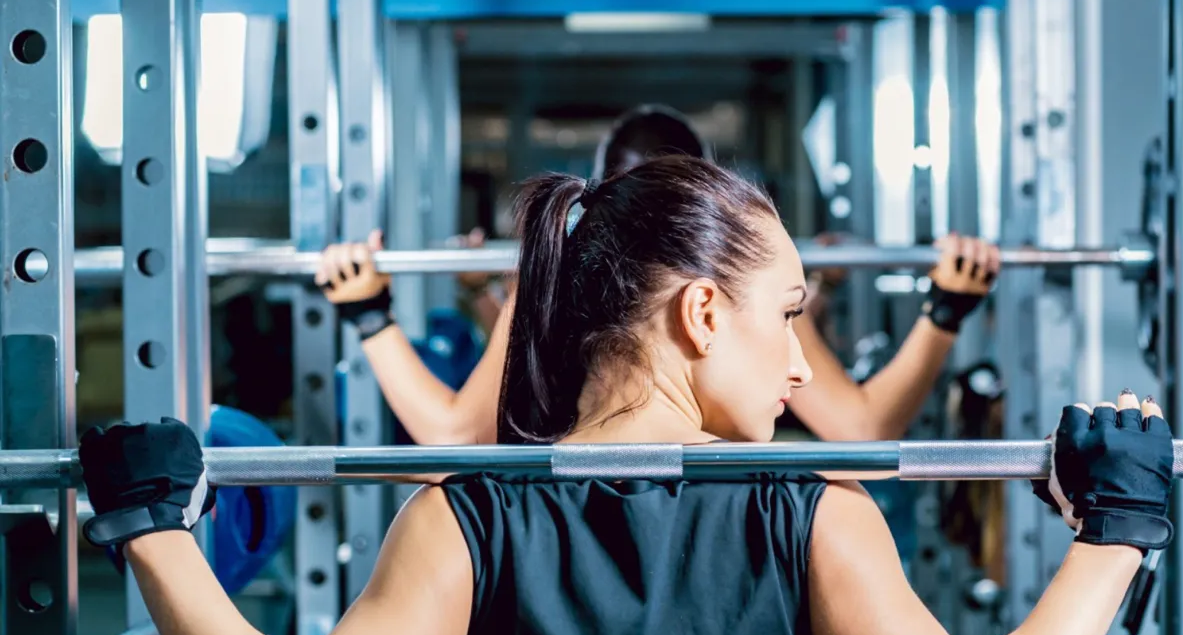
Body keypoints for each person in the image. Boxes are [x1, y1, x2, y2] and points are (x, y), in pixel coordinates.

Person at [81, 157, 1175, 635]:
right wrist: (1115, 529)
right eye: (788, 316)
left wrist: (155, 530)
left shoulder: (467, 516)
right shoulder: (815, 512)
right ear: (702, 316)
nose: (802, 365)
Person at [315, 104, 999, 447]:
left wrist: (370, 317)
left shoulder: (565, 275)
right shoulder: (723, 281)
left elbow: (460, 432)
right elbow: (861, 428)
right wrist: (944, 313)